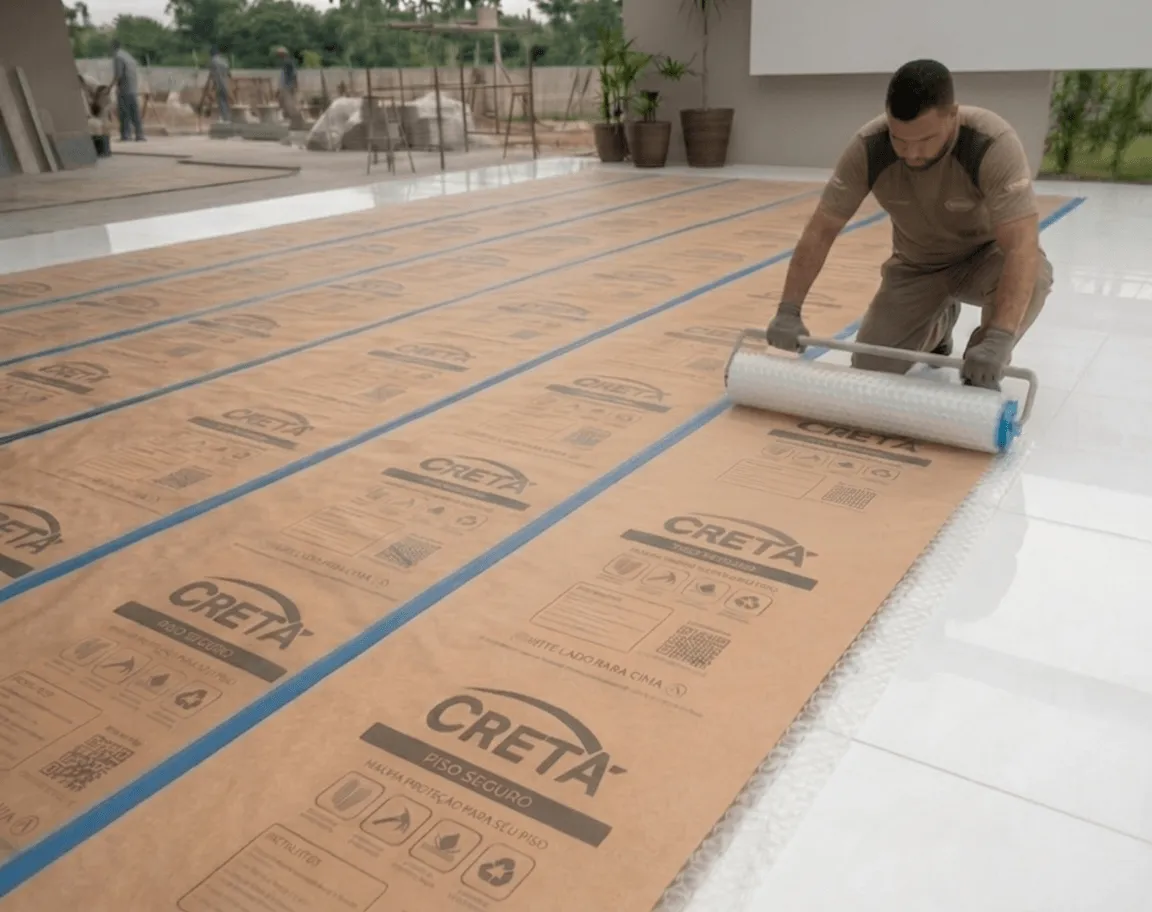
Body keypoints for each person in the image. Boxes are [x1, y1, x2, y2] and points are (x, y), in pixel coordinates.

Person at [766, 59, 1051, 391]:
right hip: (918, 266)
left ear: (953, 114)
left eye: (925, 139)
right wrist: (789, 309)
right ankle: (940, 324)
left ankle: (982, 352)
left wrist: (1000, 338)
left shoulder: (990, 142)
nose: (912, 153)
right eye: (900, 140)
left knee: (1037, 276)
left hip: (985, 259)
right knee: (870, 369)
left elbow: (1021, 245)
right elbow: (821, 230)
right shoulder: (870, 147)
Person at [111, 39, 145, 141]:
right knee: (135, 112)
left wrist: (111, 86)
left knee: (124, 113)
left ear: (113, 47)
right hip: (133, 88)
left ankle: (126, 135)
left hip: (124, 89)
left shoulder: (118, 57)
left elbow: (118, 75)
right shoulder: (128, 56)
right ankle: (140, 135)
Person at [275, 46, 305, 130]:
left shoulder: (288, 63)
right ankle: (292, 123)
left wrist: (294, 86)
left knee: (291, 106)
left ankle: (297, 123)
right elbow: (283, 77)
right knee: (285, 105)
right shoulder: (285, 63)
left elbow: (293, 75)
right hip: (285, 87)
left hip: (288, 87)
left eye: (279, 54)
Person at [209, 45, 231, 123]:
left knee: (221, 100)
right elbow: (229, 73)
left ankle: (224, 118)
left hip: (219, 83)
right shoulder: (225, 60)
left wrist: (213, 86)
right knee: (226, 100)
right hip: (227, 82)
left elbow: (212, 74)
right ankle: (228, 117)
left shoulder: (213, 61)